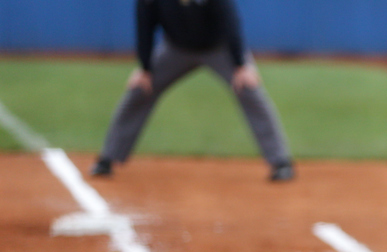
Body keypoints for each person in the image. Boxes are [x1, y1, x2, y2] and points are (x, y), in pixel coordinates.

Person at [90, 0, 294, 182]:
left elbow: (230, 19)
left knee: (249, 89)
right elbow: (145, 25)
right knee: (139, 91)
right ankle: (108, 158)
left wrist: (241, 65)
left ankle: (281, 161)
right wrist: (145, 68)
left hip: (218, 48)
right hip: (175, 50)